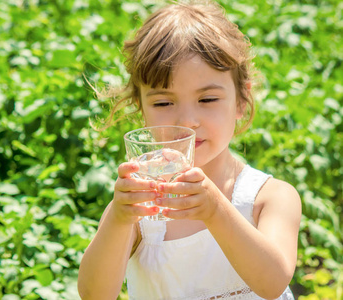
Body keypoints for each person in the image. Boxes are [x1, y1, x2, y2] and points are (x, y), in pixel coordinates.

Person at [78, 1, 302, 299]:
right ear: (141, 110)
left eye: (207, 100)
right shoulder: (140, 209)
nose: (187, 121)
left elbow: (273, 283)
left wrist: (215, 210)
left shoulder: (268, 198)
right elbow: (95, 294)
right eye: (163, 103)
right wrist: (120, 217)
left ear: (240, 101)